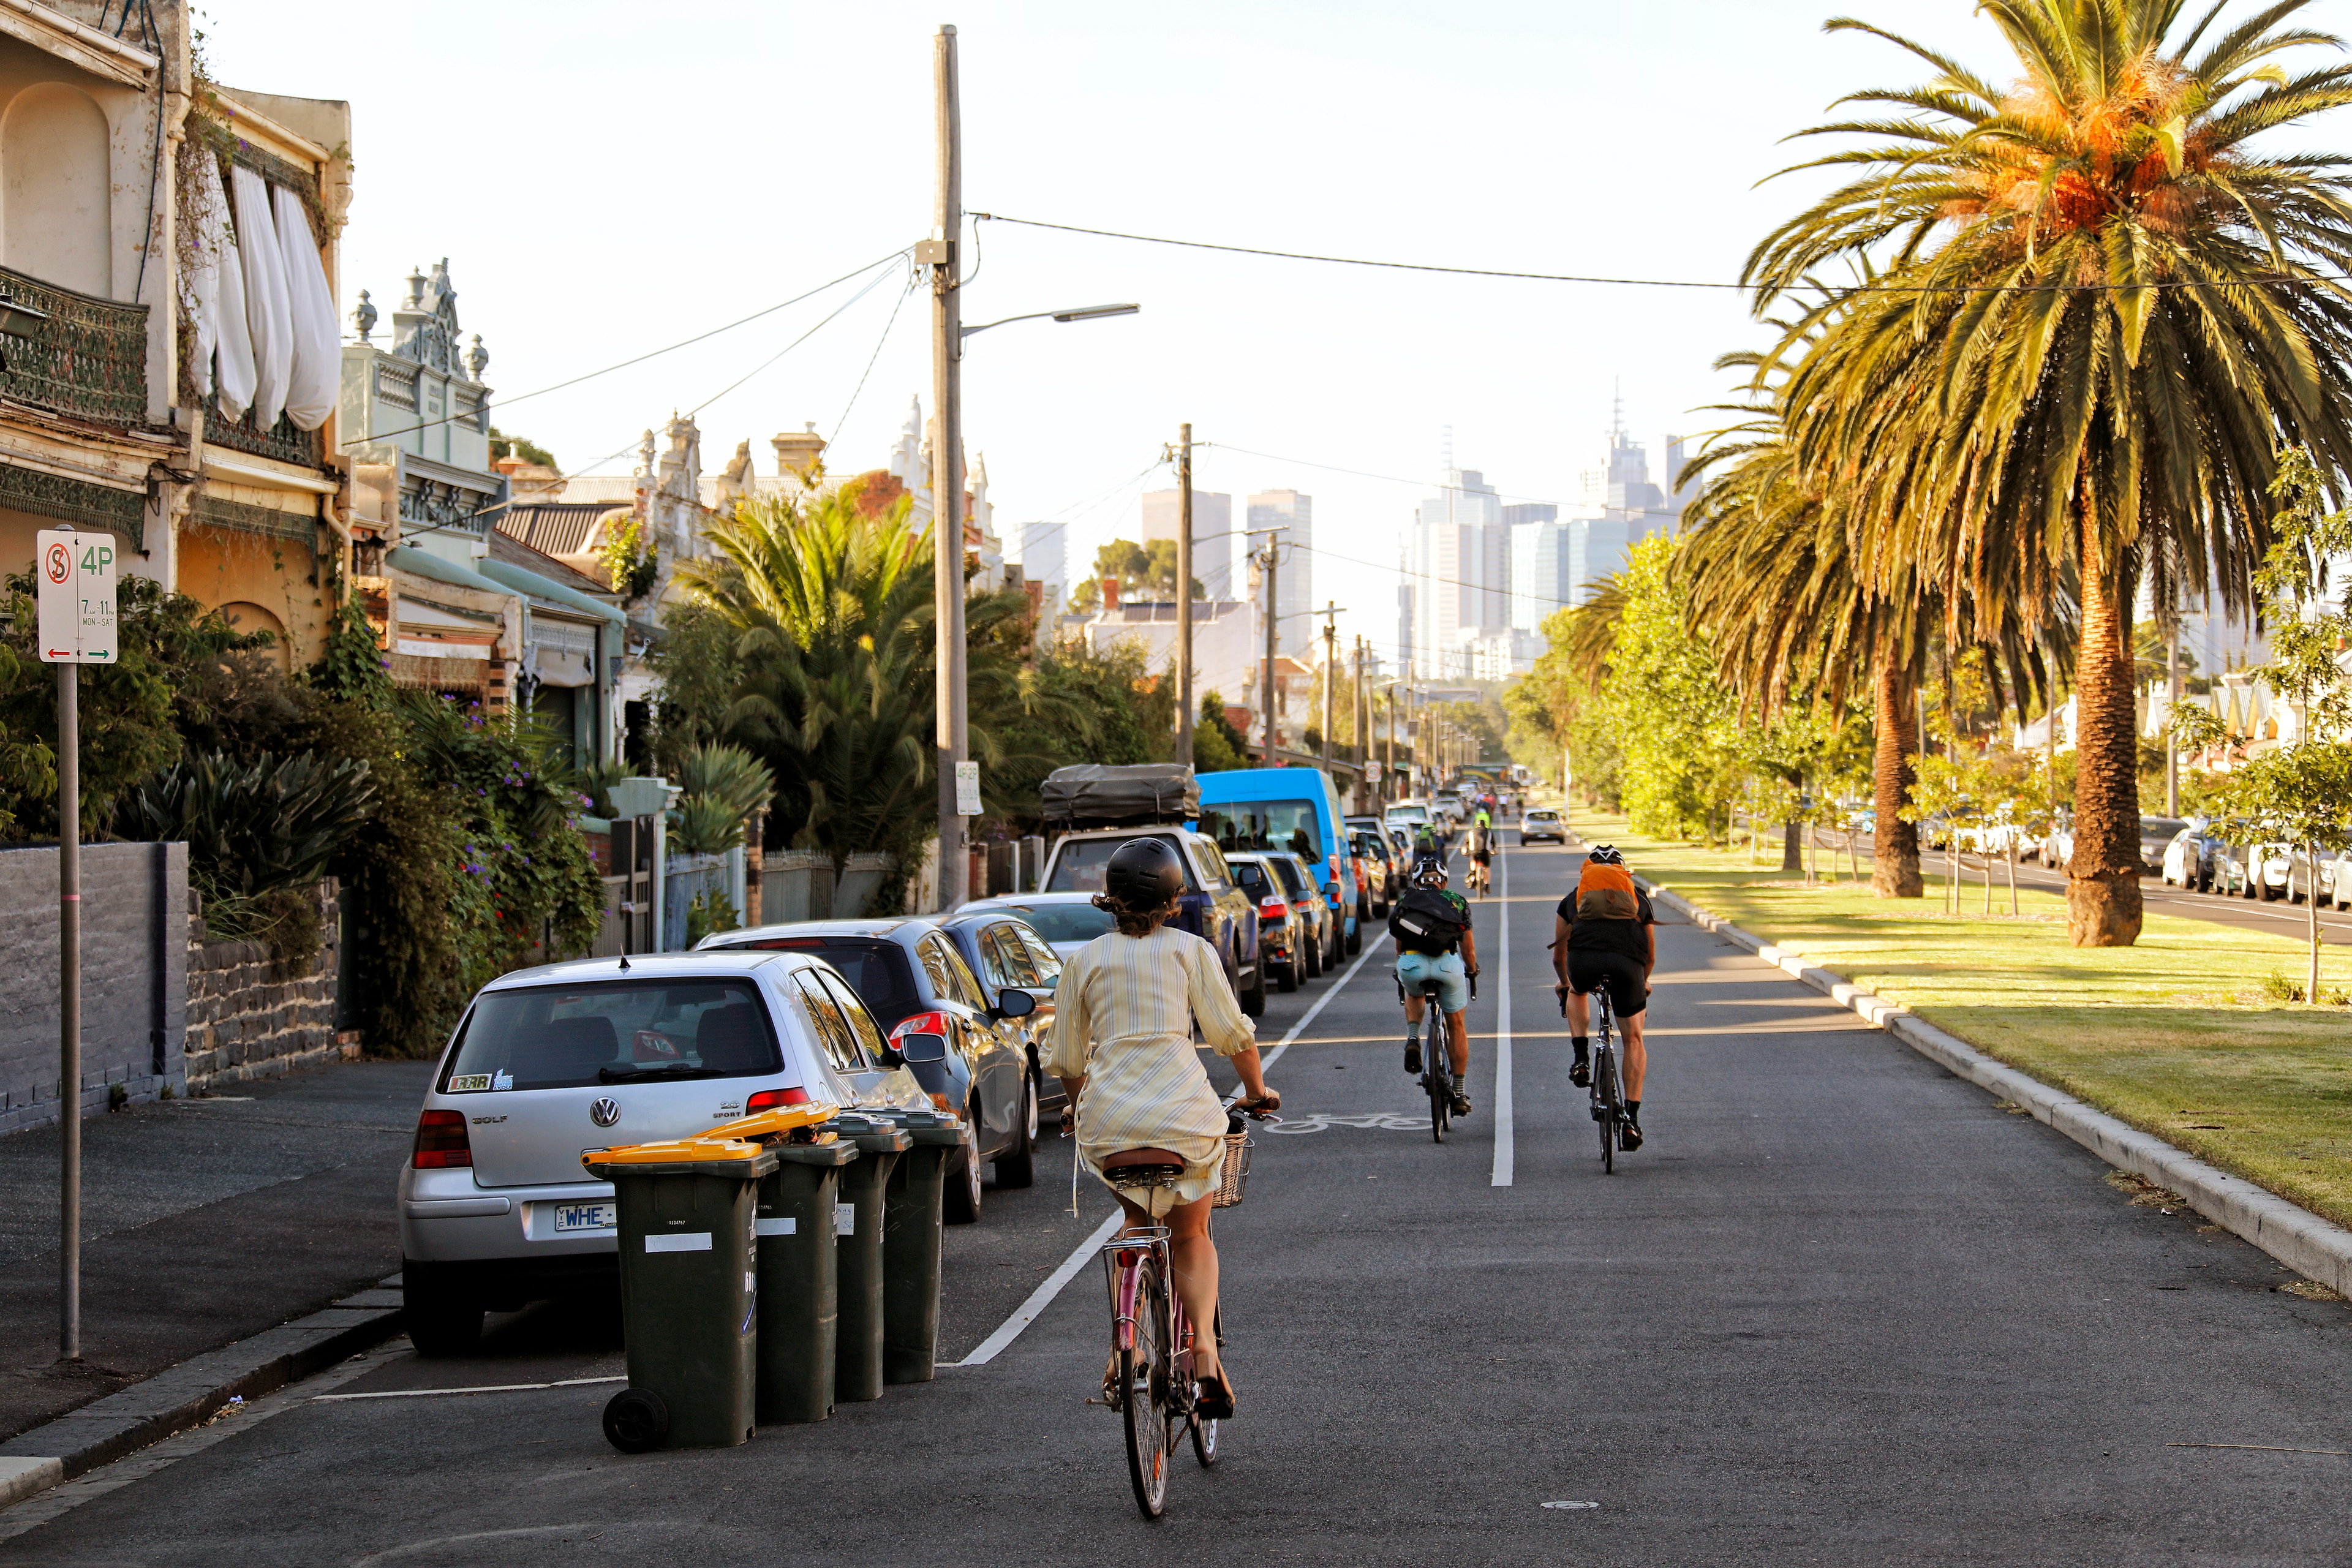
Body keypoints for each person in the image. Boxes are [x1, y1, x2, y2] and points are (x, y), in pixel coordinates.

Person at [1046, 837, 1278, 1421]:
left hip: (1111, 1124)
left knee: (1135, 1218)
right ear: (1175, 898)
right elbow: (1235, 1037)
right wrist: (1257, 1092)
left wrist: (1081, 1107)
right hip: (1184, 1117)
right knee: (1193, 1234)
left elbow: (1070, 1062)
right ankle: (1202, 1351)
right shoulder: (1190, 952)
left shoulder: (1084, 961)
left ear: (1111, 898)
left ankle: (1122, 1345)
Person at [1551, 844, 1657, 1150]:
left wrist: (1564, 982)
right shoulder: (1638, 898)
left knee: (1578, 990)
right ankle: (1631, 1121)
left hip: (1585, 964)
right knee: (1634, 1040)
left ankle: (1581, 1058)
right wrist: (1644, 981)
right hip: (1627, 968)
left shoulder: (1574, 898)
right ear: (1623, 872)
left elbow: (1559, 956)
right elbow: (1649, 954)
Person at [1390, 856, 1479, 1116]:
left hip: (1412, 963)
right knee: (1457, 1025)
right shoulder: (1457, 901)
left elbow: (1399, 946)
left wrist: (1402, 968)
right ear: (1444, 881)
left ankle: (1413, 1038)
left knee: (1414, 991)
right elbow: (1468, 949)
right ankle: (1460, 1093)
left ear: (1416, 881)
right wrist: (1472, 971)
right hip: (1447, 966)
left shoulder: (1405, 901)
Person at [1465, 813, 1494, 896]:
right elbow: (1493, 844)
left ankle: (1473, 873)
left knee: (1473, 860)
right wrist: (1494, 850)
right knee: (1487, 868)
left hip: (1474, 852)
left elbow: (1466, 842)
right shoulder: (1489, 832)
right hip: (1485, 852)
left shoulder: (1471, 832)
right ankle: (1487, 885)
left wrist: (1466, 850)